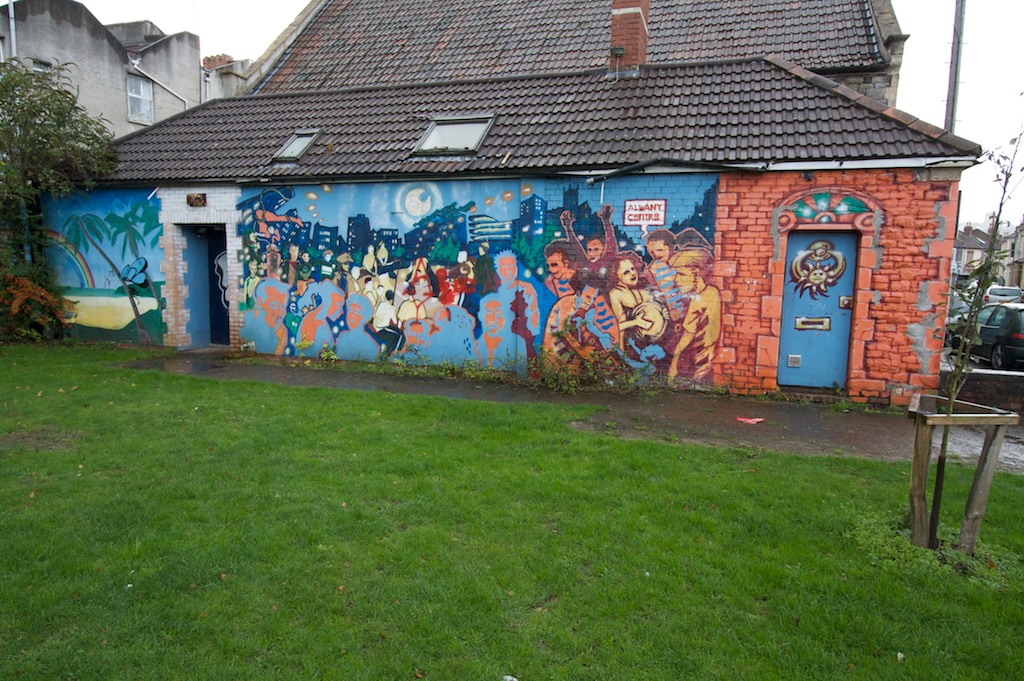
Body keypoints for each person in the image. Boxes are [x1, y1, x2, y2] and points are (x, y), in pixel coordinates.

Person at [667, 247, 721, 382]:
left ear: (696, 274)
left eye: (681, 274)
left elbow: (688, 335)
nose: (676, 280)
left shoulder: (701, 298)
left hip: (698, 359)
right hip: (705, 356)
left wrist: (673, 367)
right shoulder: (711, 292)